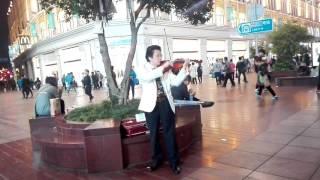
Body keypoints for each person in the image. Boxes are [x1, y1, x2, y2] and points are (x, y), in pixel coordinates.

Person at [137, 45, 189, 175]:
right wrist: (164, 67)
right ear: (150, 57)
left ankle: (174, 162)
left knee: (169, 133)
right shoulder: (142, 68)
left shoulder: (165, 69)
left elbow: (176, 82)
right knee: (153, 134)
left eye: (161, 55)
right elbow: (148, 77)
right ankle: (156, 160)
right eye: (157, 55)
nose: (160, 58)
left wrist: (184, 68)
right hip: (151, 105)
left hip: (165, 103)